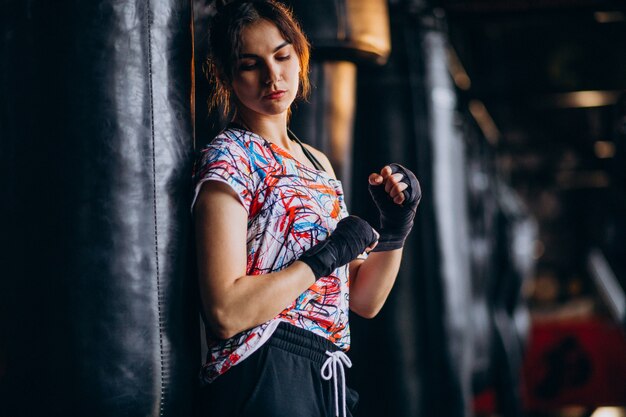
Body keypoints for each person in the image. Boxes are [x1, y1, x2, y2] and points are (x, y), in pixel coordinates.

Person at [192, 1, 421, 416]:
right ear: (227, 76)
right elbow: (225, 312)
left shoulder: (317, 162)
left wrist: (394, 228)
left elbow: (363, 300)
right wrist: (326, 256)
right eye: (250, 64)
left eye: (282, 55)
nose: (272, 76)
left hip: (325, 368)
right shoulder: (230, 157)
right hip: (263, 363)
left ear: (300, 56)